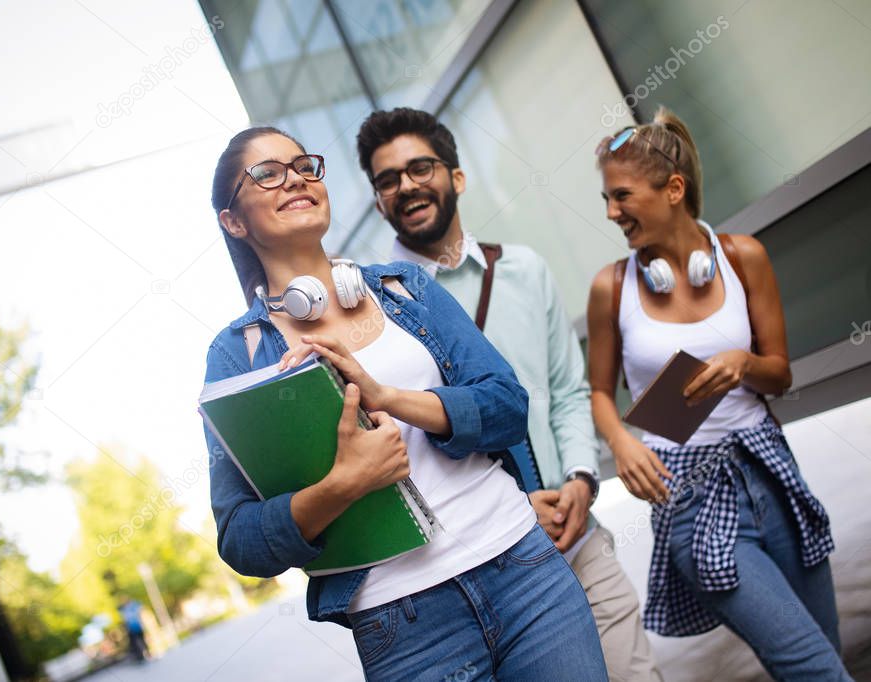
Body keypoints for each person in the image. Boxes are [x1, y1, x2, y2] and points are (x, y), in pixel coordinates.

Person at [203, 126, 607, 680]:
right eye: (267, 173)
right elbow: (242, 540)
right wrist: (344, 484)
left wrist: (388, 396)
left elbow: (507, 405)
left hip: (525, 569)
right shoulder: (237, 355)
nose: (295, 178)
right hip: (404, 623)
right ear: (234, 221)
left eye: (303, 166)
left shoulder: (405, 287)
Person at [357, 106, 662, 681]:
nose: (406, 186)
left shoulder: (525, 270)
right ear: (378, 201)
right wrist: (515, 506)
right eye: (388, 179)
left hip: (577, 534)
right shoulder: (376, 311)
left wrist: (579, 480)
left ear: (456, 177)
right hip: (486, 559)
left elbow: (569, 392)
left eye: (420, 167)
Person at [587, 106, 850, 680]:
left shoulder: (742, 257)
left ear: (673, 189)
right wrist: (622, 444)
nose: (611, 212)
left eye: (622, 195)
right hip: (691, 495)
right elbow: (599, 393)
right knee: (813, 668)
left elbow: (780, 374)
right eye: (606, 198)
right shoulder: (612, 287)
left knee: (826, 652)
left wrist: (744, 363)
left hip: (769, 471)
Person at [117, 594, 148, 662]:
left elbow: (140, 606)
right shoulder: (130, 607)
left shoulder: (130, 607)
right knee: (138, 641)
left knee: (140, 640)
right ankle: (141, 655)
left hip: (135, 626)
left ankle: (144, 654)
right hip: (133, 627)